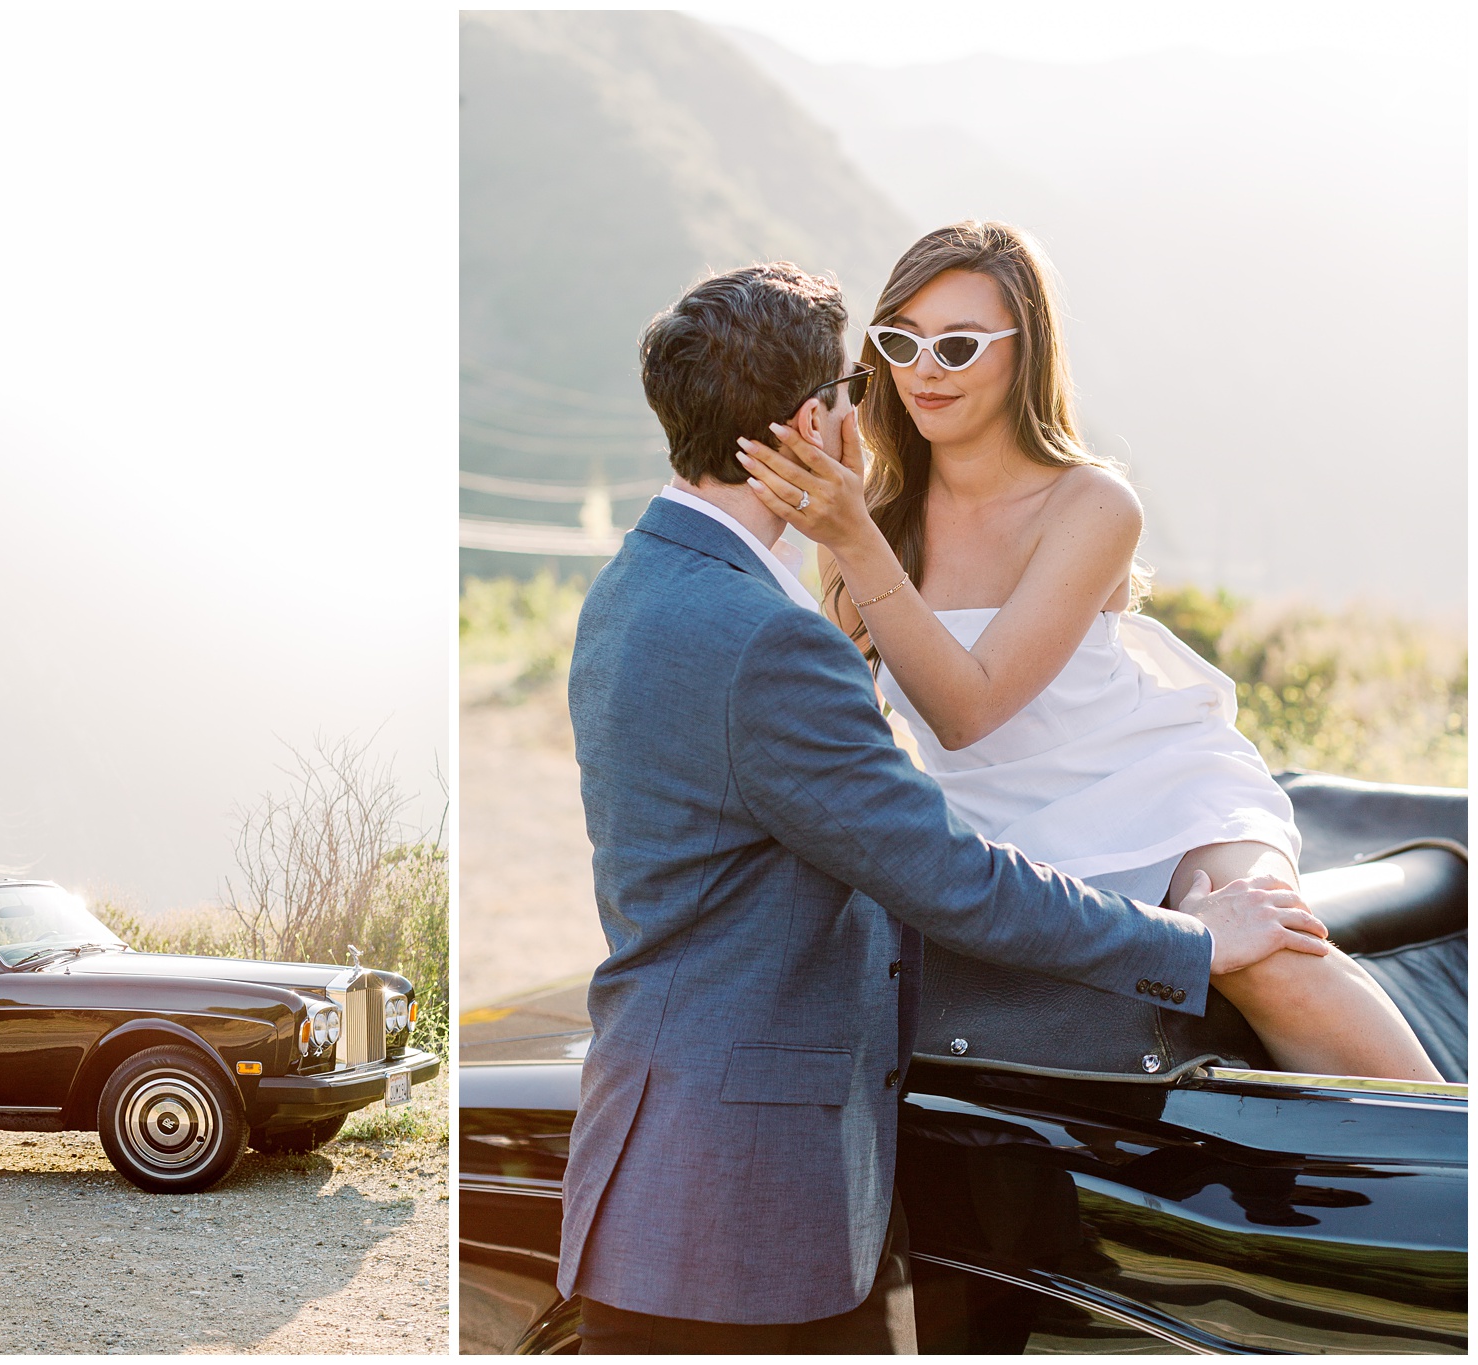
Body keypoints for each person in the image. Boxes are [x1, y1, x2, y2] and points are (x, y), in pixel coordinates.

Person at [559, 261, 1331, 1353]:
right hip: (743, 1211)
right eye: (861, 377)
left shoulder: (637, 581)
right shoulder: (767, 637)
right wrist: (1194, 942)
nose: (882, 399)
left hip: (666, 1171)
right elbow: (950, 879)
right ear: (811, 422)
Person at [736, 221, 1439, 1084]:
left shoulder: (1093, 505)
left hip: (1161, 792)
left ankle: (1450, 1168)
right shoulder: (871, 522)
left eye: (958, 345)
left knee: (1268, 950)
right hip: (1000, 838)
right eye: (900, 342)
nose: (925, 369)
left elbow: (968, 709)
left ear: (1023, 352)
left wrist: (851, 539)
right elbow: (851, 733)